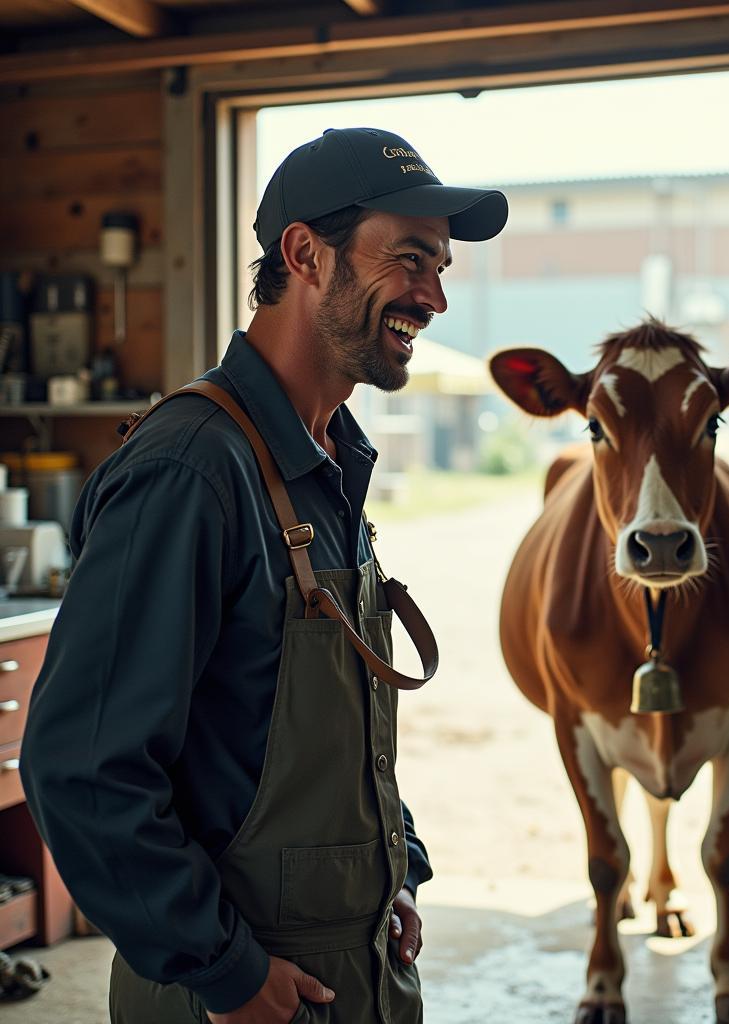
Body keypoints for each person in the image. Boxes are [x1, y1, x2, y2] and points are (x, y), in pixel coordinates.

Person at [21, 126, 508, 1023]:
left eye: (441, 266)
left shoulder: (325, 459)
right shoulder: (190, 471)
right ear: (304, 254)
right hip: (237, 997)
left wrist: (394, 870)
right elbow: (82, 768)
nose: (434, 296)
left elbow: (313, 730)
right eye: (409, 259)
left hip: (356, 966)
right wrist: (224, 969)